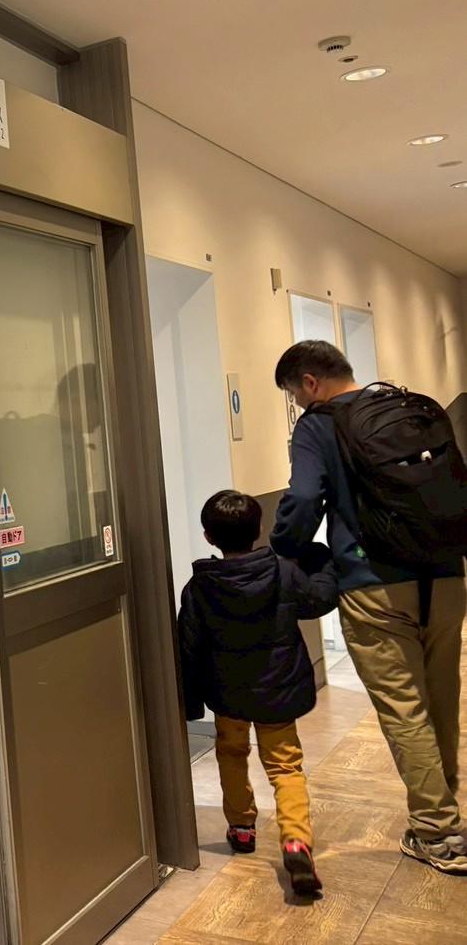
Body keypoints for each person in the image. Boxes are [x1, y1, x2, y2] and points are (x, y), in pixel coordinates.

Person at [271, 341, 467, 875]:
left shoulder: (318, 425)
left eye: (294, 394)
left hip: (374, 583)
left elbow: (306, 498)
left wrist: (283, 546)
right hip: (447, 577)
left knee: (404, 707)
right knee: (440, 695)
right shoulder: (410, 408)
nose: (298, 403)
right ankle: (445, 815)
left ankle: (440, 833)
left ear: (309, 382)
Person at [179, 490, 336, 896]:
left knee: (232, 754)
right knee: (285, 766)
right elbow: (318, 598)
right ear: (260, 529)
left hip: (228, 694)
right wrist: (322, 561)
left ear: (208, 537)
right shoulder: (283, 571)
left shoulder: (200, 587)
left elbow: (189, 647)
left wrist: (191, 701)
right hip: (278, 693)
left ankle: (242, 827)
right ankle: (296, 841)